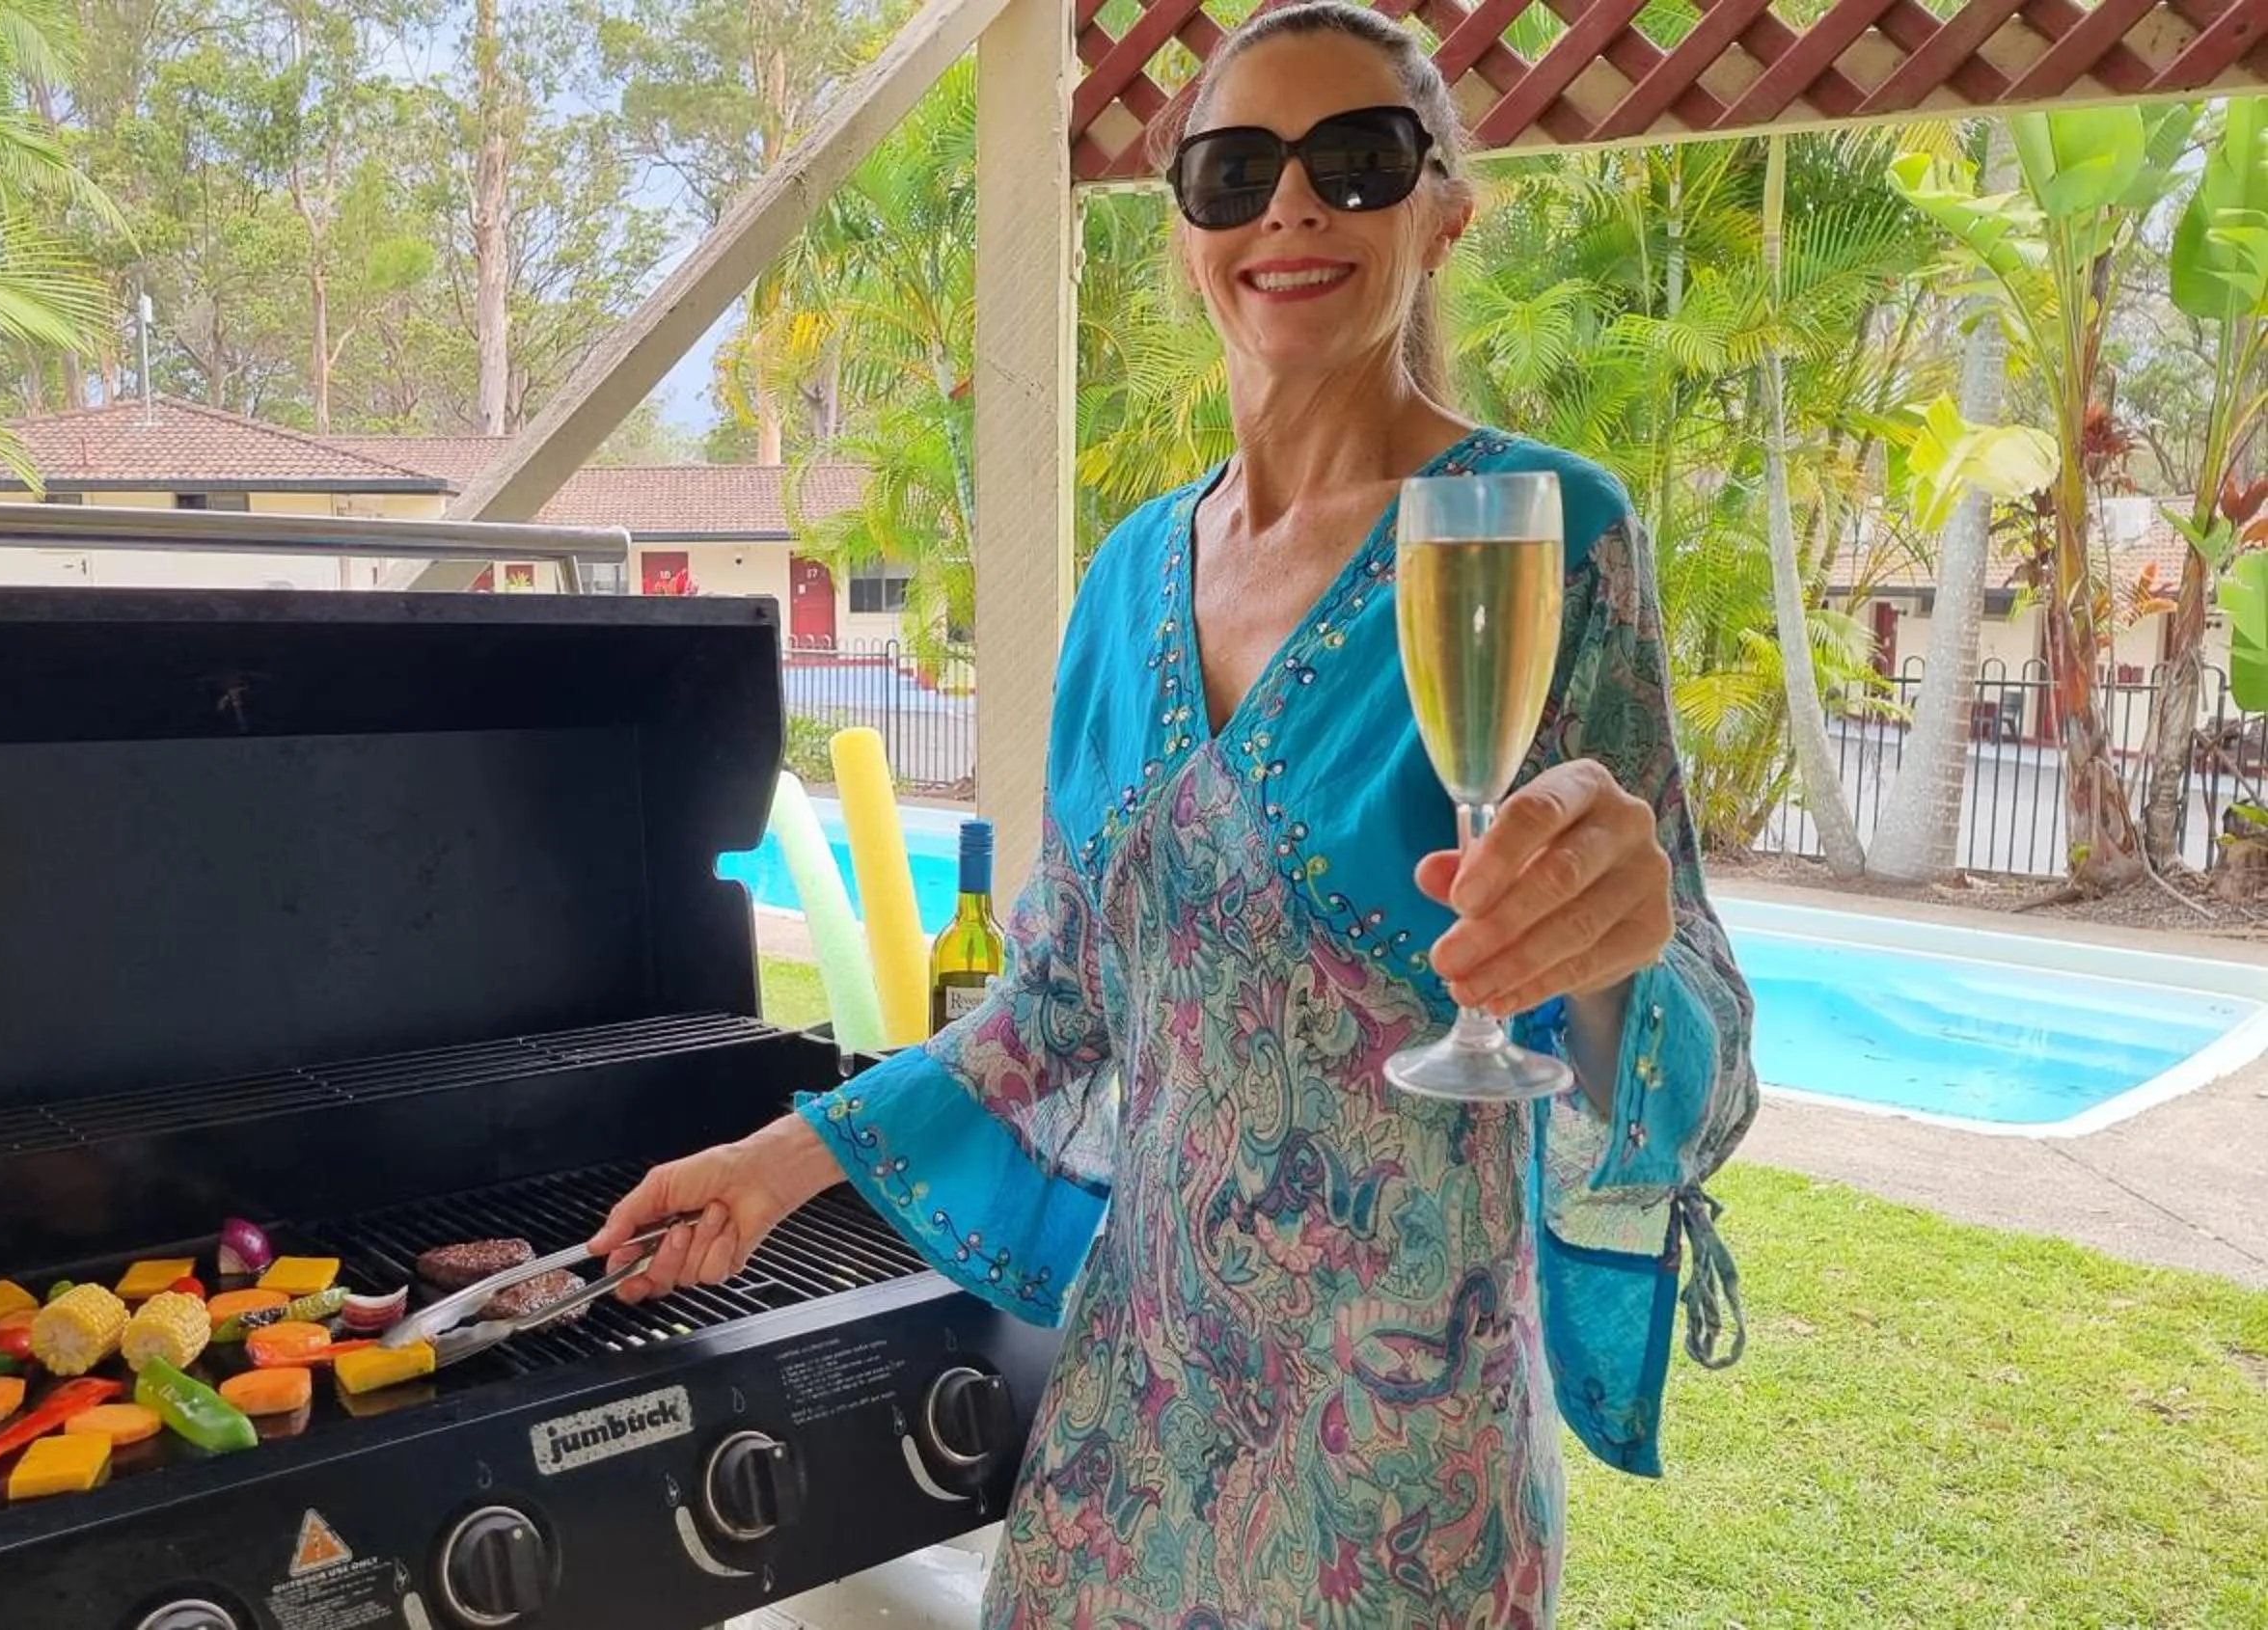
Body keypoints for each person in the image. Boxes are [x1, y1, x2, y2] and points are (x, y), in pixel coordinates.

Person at [590, 5, 1759, 1622]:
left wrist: (1621, 957)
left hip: (1400, 1465)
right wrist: (774, 1161)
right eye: (1236, 169)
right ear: (1189, 227)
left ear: (1444, 210)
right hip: (1135, 1420)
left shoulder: (1545, 531)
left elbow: (1695, 1061)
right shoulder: (1128, 574)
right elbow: (1061, 998)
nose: (1293, 208)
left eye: (1357, 161)